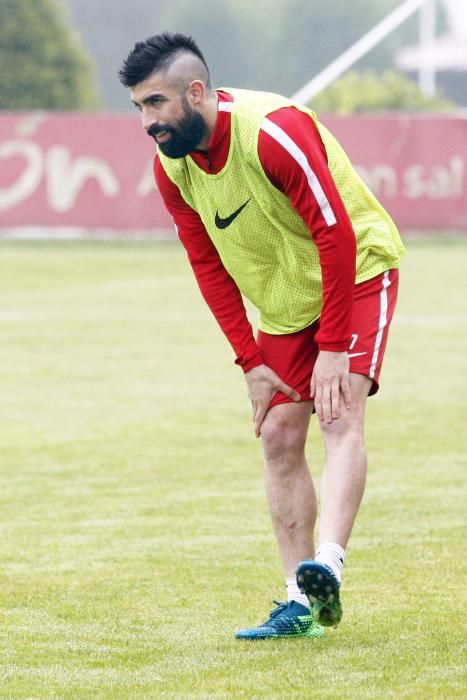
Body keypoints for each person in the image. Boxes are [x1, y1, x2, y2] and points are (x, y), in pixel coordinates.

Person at [119, 32, 405, 640]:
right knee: (278, 435)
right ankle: (300, 602)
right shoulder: (173, 165)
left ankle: (326, 566)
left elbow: (336, 236)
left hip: (356, 272)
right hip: (284, 303)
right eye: (140, 107)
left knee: (338, 413)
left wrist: (333, 348)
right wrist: (248, 360)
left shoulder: (272, 132)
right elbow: (207, 264)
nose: (148, 121)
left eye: (157, 104)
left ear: (197, 92)